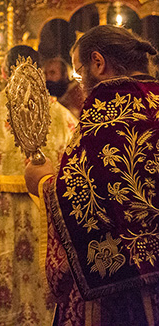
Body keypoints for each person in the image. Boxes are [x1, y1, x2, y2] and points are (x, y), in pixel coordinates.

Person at [25, 25, 159, 325]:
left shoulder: (104, 118)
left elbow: (85, 201)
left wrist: (43, 182)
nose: (78, 83)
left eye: (78, 72)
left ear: (98, 63)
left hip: (127, 299)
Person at [0, 46, 77, 326]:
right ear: (39, 72)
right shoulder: (62, 116)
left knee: (1, 285)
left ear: (3, 72)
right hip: (45, 214)